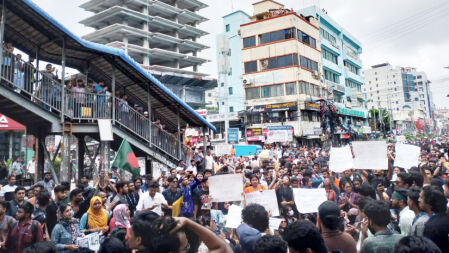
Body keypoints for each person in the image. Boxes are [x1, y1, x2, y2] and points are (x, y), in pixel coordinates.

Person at [421, 185, 449, 252]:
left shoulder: (431, 226)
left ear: (429, 203)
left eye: (421, 197)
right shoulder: (445, 218)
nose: (418, 200)